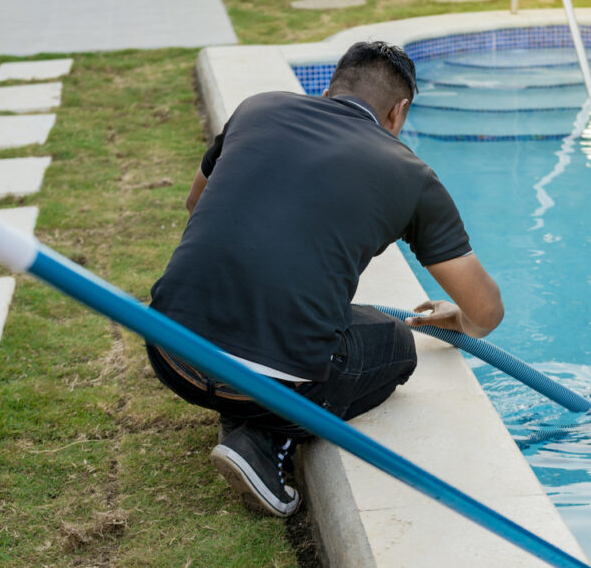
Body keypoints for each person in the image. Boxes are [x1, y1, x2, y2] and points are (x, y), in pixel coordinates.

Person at [146, 41, 503, 518]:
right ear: (398, 112)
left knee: (350, 319)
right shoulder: (409, 172)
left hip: (170, 351)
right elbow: (487, 313)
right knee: (395, 343)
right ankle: (264, 439)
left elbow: (195, 205)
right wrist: (458, 318)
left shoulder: (257, 108)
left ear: (331, 86)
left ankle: (245, 399)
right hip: (268, 380)